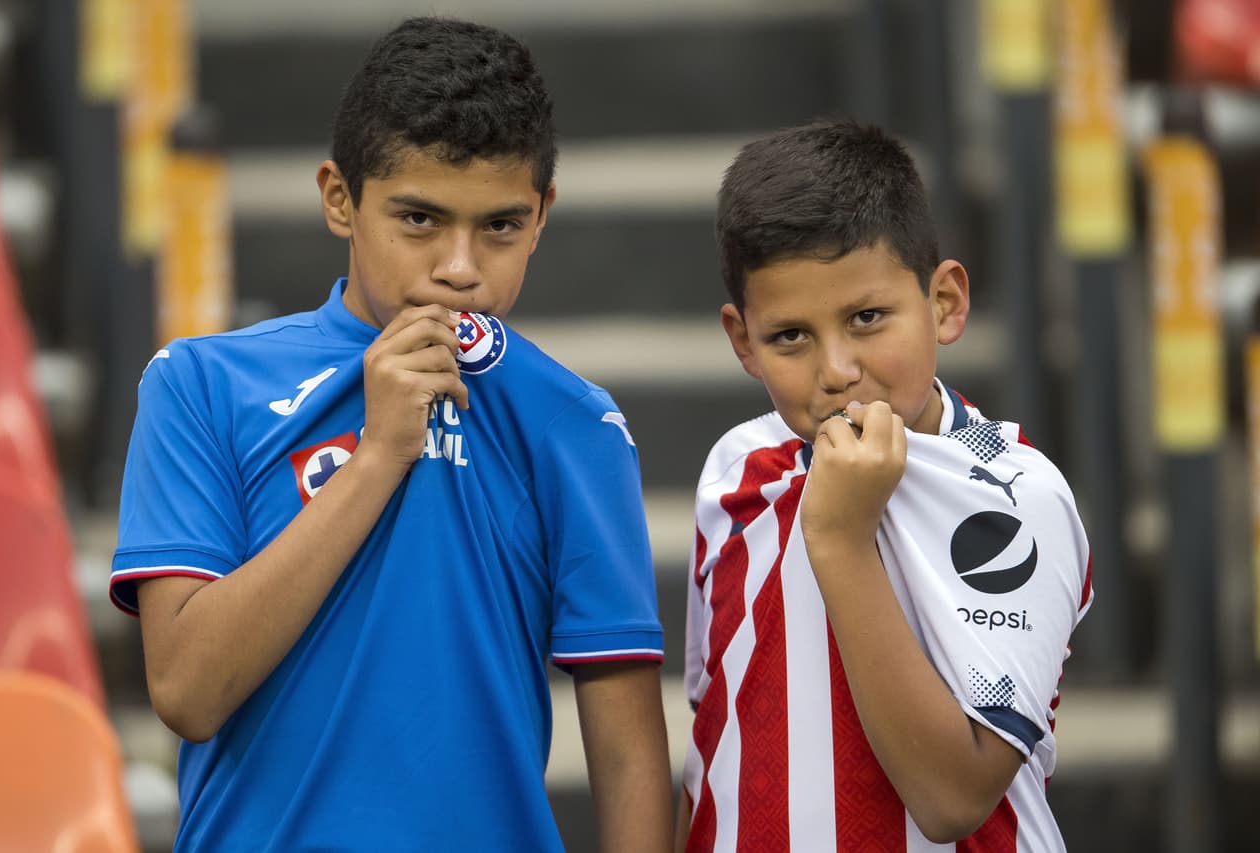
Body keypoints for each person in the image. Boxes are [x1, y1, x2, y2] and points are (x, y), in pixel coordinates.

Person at [109, 17, 672, 852]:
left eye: (501, 226)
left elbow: (629, 757)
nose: (458, 266)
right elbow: (189, 688)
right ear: (340, 197)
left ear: (544, 213)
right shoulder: (199, 384)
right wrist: (378, 453)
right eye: (418, 219)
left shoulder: (578, 423)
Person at [677, 118, 1093, 851]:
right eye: (789, 336)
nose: (837, 369)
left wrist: (839, 537)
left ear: (945, 302)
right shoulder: (737, 468)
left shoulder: (1015, 496)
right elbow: (716, 732)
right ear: (743, 341)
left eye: (867, 318)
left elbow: (952, 794)